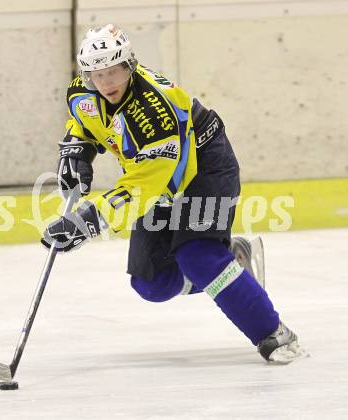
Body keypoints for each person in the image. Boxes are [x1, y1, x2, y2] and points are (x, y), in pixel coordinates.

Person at [42, 24, 308, 363]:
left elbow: (148, 185)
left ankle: (274, 333)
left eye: (114, 71)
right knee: (151, 282)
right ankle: (236, 262)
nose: (107, 82)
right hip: (159, 173)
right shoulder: (83, 92)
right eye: (98, 74)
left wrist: (91, 219)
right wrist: (77, 148)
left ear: (130, 65)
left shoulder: (153, 112)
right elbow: (86, 122)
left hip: (205, 167)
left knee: (197, 255)